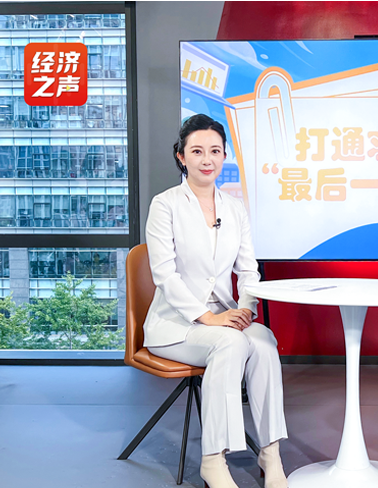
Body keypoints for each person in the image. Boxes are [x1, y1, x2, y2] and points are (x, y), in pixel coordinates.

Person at [143, 114, 288, 488]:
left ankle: (270, 453)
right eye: (196, 151)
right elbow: (165, 275)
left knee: (264, 341)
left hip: (225, 317)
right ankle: (213, 460)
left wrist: (246, 309)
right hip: (175, 324)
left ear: (224, 156)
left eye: (214, 151)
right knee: (230, 342)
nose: (206, 159)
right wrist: (207, 317)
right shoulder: (165, 205)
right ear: (181, 156)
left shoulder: (234, 208)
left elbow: (249, 269)